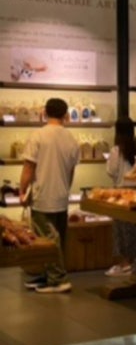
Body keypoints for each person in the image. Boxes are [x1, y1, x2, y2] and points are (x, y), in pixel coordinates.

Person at [19, 97, 80, 292]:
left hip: (42, 195)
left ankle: (58, 279)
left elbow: (29, 167)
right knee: (58, 237)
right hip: (62, 195)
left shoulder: (38, 135)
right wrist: (66, 188)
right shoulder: (71, 139)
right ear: (66, 115)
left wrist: (22, 190)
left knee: (47, 239)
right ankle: (48, 275)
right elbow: (71, 170)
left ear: (45, 113)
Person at [105, 118, 136, 277]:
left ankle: (124, 264)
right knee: (134, 229)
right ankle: (134, 262)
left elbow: (111, 171)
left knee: (120, 230)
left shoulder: (116, 151)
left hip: (121, 193)